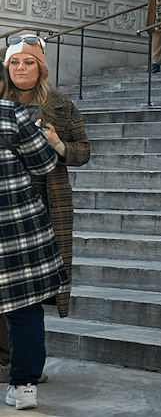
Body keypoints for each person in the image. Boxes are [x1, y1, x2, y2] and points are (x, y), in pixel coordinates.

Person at [1, 36, 91, 320]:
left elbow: (84, 151)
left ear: (41, 67)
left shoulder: (62, 106)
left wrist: (59, 145)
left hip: (48, 201)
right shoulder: (2, 104)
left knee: (34, 285)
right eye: (14, 62)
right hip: (6, 202)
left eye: (29, 62)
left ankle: (21, 356)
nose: (21, 68)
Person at [0, 91, 69, 411]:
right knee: (25, 309)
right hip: (16, 231)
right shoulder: (10, 114)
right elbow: (43, 163)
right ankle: (25, 384)